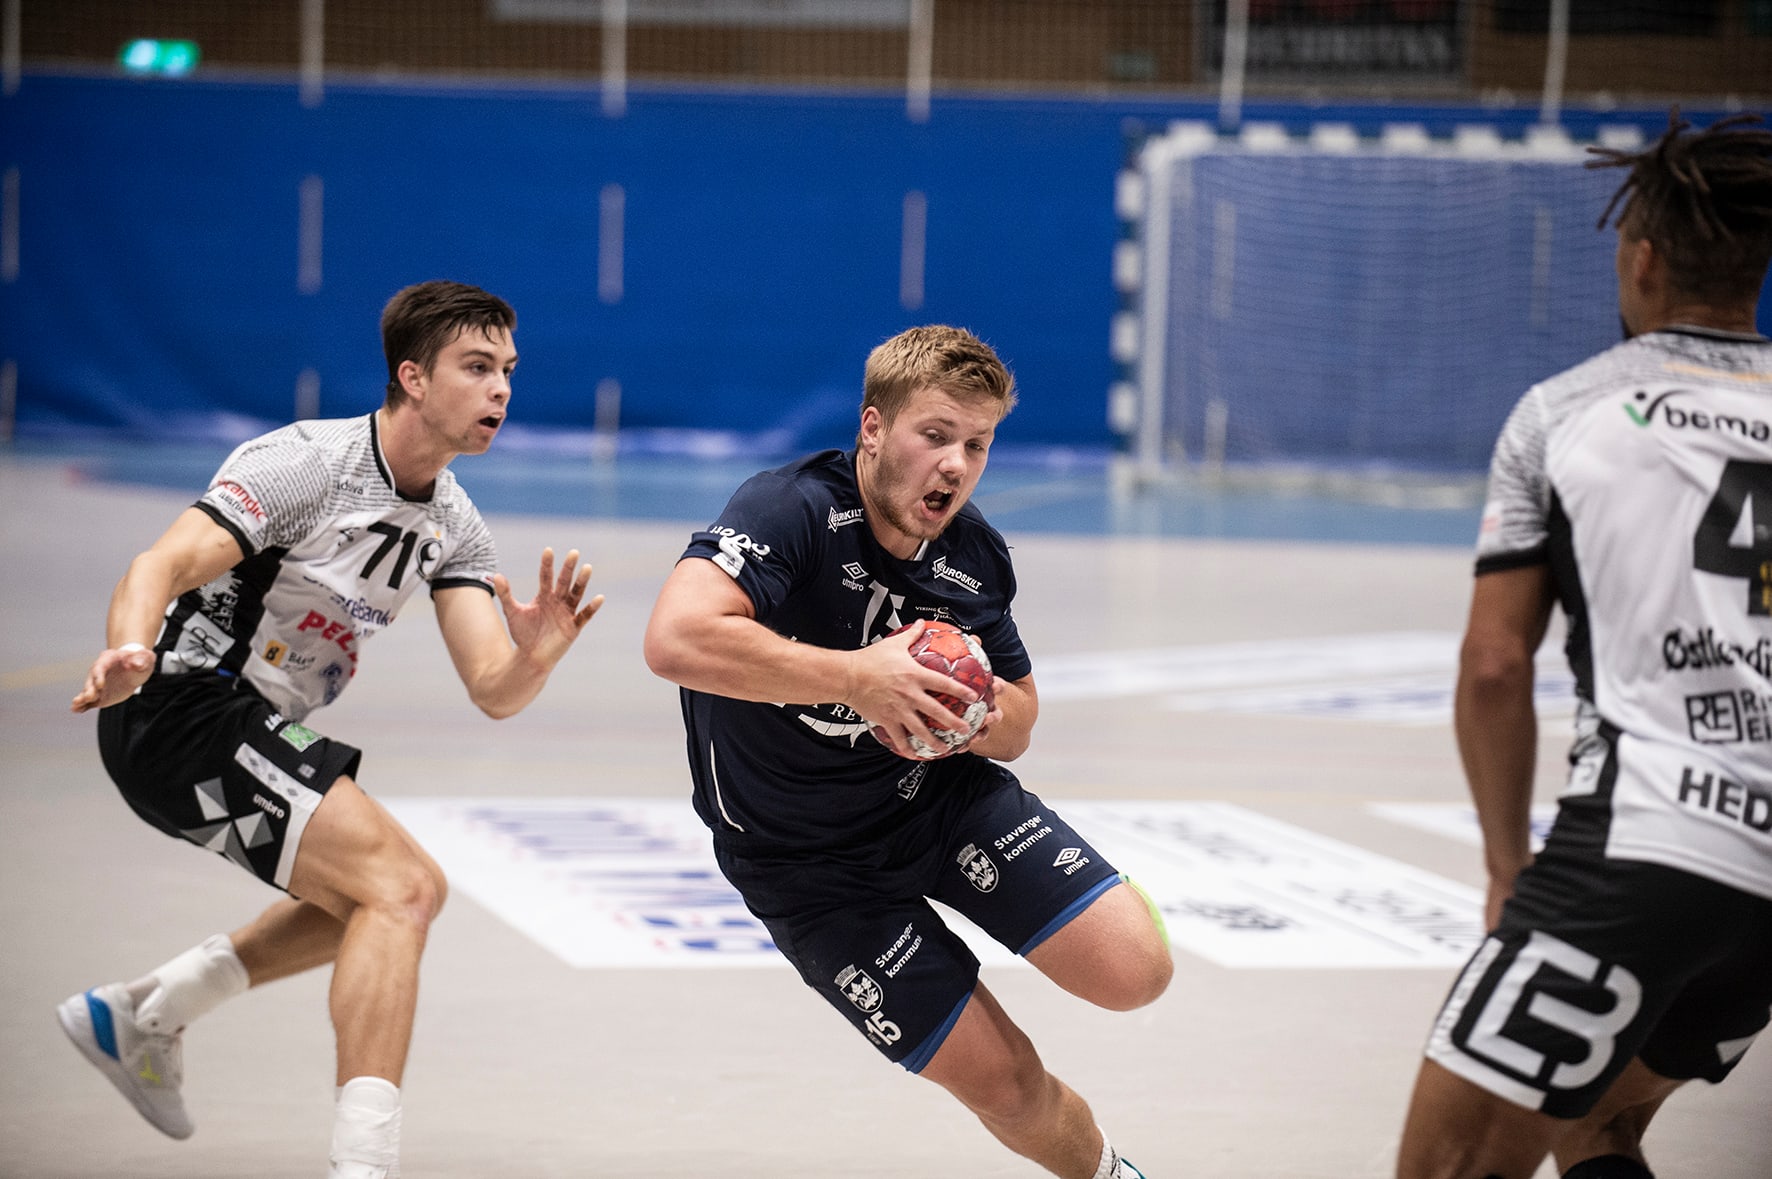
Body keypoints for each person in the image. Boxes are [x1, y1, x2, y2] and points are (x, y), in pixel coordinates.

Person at [58, 280, 605, 1179]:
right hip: (180, 705)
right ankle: (363, 1165)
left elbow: (493, 689)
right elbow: (158, 562)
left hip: (245, 725)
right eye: (477, 367)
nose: (502, 388)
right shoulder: (308, 466)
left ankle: (145, 1013)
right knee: (403, 888)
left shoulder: (454, 524)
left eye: (508, 369)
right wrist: (128, 648)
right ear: (413, 377)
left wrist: (537, 655)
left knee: (380, 897)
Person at [643, 324, 1172, 1178]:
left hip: (937, 803)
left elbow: (1021, 719)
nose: (956, 465)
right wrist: (861, 678)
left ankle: (1098, 897)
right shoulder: (791, 511)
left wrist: (965, 710)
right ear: (874, 428)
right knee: (1006, 1082)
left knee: (1136, 972)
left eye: (978, 444)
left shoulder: (973, 556)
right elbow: (674, 637)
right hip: (805, 868)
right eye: (936, 434)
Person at [1396, 112, 1772, 1179]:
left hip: (1646, 842)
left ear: (1640, 258)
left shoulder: (1563, 414)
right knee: (1595, 1120)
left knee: (1448, 1166)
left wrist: (1505, 868)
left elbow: (1494, 665)